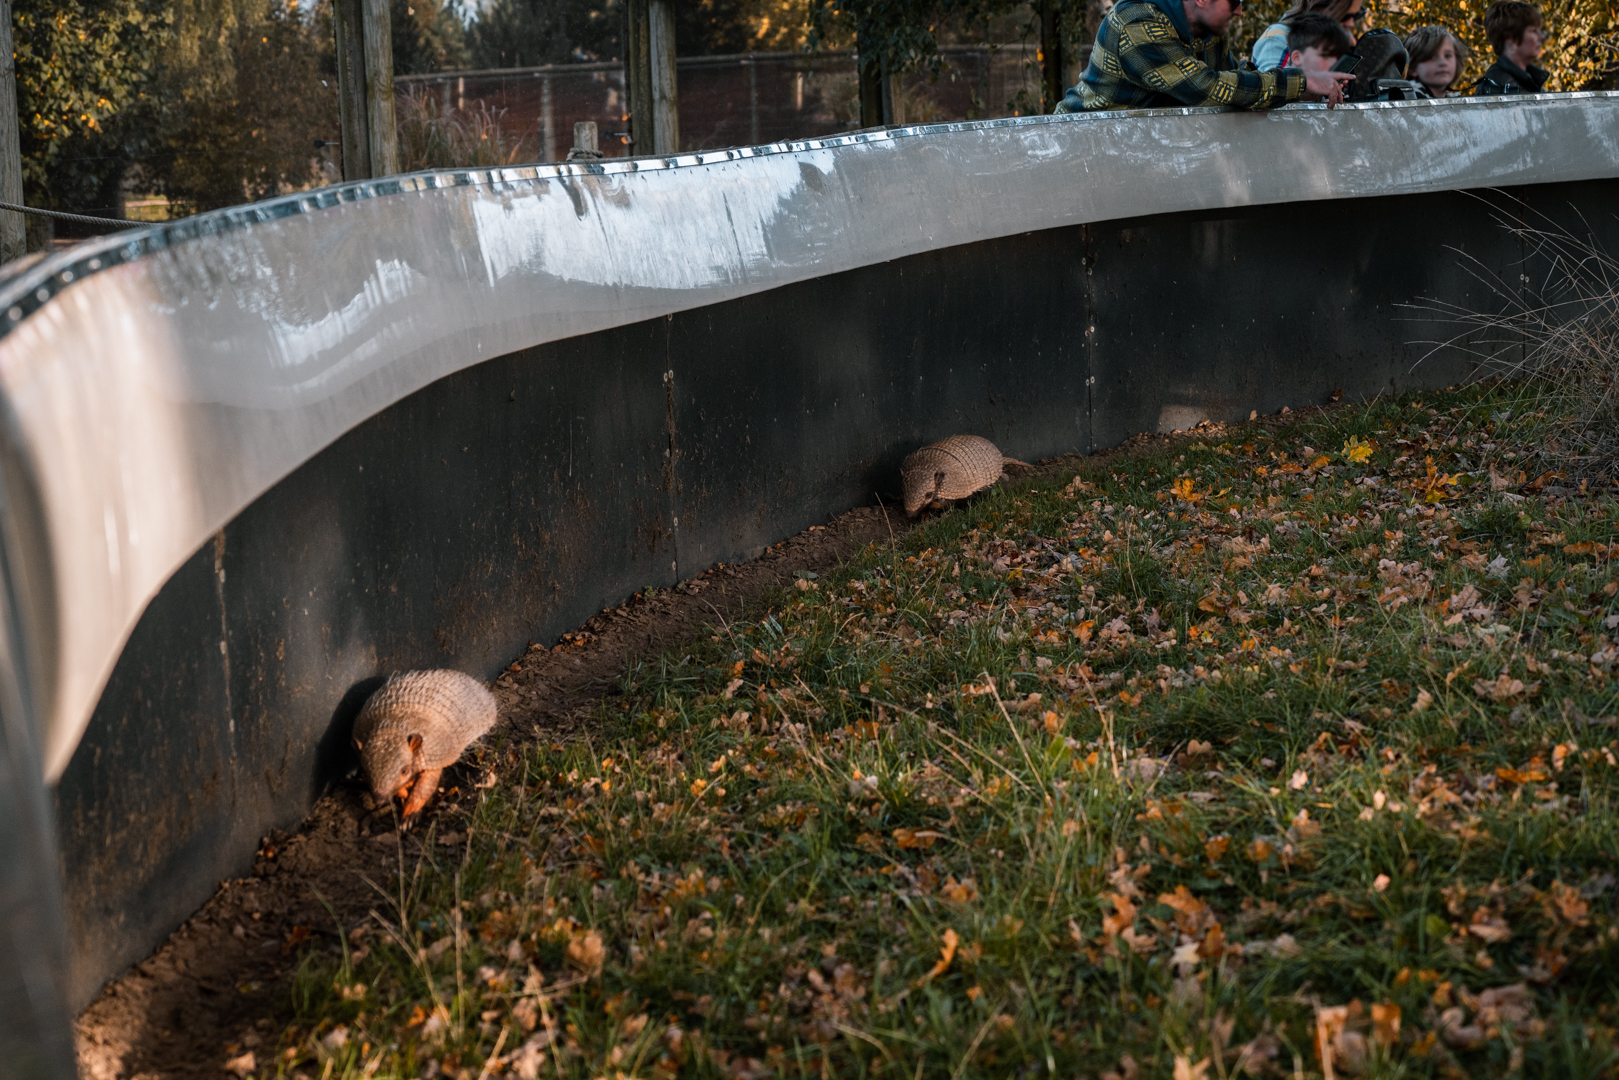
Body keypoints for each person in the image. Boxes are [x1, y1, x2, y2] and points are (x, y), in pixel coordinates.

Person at [1054, 0, 1355, 112]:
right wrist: (1299, 82)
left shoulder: (1208, 33)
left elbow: (1235, 84)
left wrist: (1304, 81)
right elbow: (1208, 89)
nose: (1239, 10)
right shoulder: (1137, 21)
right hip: (1081, 145)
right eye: (1234, 1)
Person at [1251, 0, 1365, 71]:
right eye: (1345, 15)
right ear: (1318, 6)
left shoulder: (1328, 40)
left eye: (1356, 15)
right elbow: (1272, 89)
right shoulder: (1277, 39)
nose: (1351, 23)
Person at [1474, 0, 1549, 93]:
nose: (1541, 37)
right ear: (1511, 40)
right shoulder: (1500, 87)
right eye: (1533, 31)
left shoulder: (1527, 83)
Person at [1279, 12, 1355, 75]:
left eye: (1338, 59)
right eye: (1324, 55)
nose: (1334, 64)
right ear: (1297, 57)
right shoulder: (1276, 87)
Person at [1404, 25, 1470, 96]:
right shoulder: (1412, 95)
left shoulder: (1454, 99)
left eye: (1447, 56)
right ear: (1412, 67)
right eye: (1431, 57)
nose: (1443, 62)